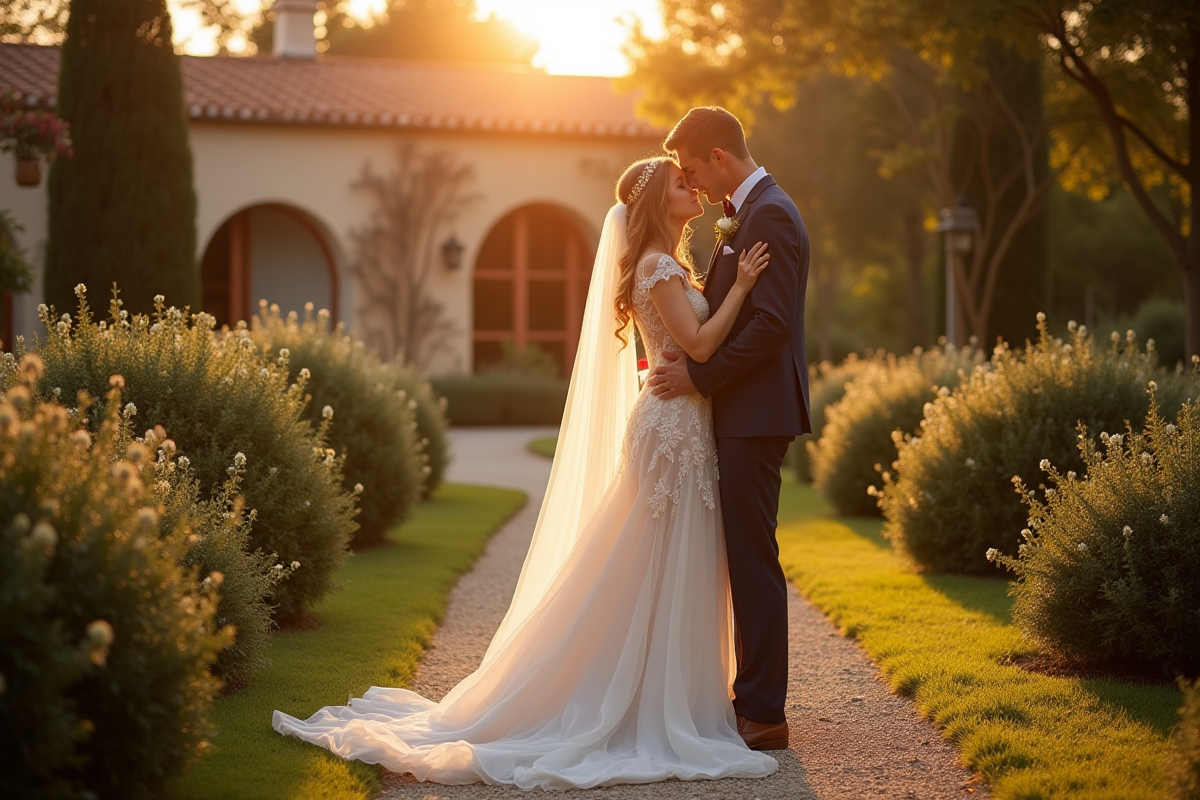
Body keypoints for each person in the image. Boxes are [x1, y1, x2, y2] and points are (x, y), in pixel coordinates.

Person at [272, 153, 780, 789]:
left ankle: (666, 689)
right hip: (672, 429)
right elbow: (700, 348)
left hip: (681, 422)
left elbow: (689, 349)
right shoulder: (655, 266)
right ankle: (643, 699)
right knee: (656, 557)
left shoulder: (664, 265)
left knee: (665, 557)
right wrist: (740, 290)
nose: (694, 188)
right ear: (654, 204)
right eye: (681, 183)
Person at [648, 106, 811, 750]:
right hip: (741, 410)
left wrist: (698, 379)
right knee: (742, 556)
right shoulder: (748, 212)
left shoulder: (769, 213)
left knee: (752, 559)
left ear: (719, 157)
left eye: (691, 168)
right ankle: (748, 700)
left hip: (754, 412)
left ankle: (764, 712)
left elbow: (772, 326)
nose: (692, 182)